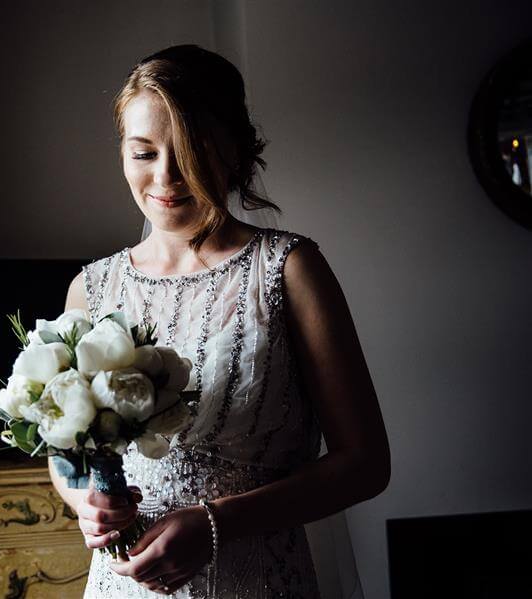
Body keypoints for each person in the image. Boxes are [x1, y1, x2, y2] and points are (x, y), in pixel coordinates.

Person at [48, 44, 390, 598]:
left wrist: (217, 524)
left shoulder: (288, 270)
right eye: (143, 153)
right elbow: (69, 453)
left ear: (235, 148)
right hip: (126, 585)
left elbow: (366, 464)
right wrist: (84, 501)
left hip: (255, 578)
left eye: (190, 150)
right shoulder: (90, 289)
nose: (166, 176)